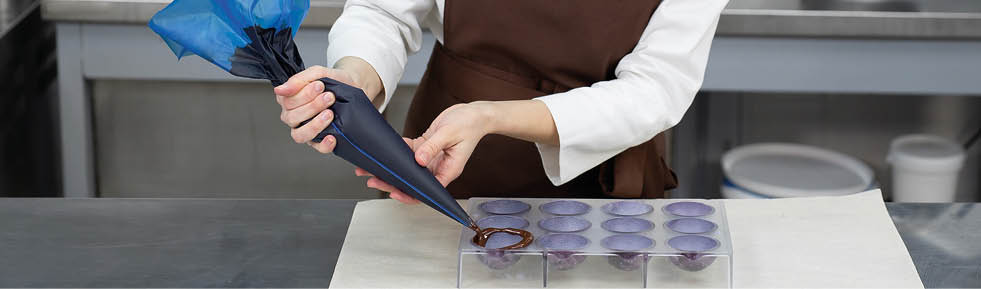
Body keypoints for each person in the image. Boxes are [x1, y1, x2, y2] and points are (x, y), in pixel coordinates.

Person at [272, 0, 729, 203]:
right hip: (447, 165)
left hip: (602, 190)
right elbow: (383, 12)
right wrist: (354, 81)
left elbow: (656, 89)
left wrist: (491, 115)